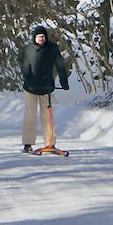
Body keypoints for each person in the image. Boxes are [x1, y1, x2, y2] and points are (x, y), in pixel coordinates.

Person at [18, 25, 71, 153]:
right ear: (34, 38)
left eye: (43, 37)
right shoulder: (28, 50)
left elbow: (59, 65)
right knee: (30, 115)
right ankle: (27, 143)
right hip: (30, 88)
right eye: (38, 37)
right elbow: (25, 68)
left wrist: (63, 81)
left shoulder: (52, 49)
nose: (41, 39)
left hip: (47, 88)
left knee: (48, 116)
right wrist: (30, 81)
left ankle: (50, 143)